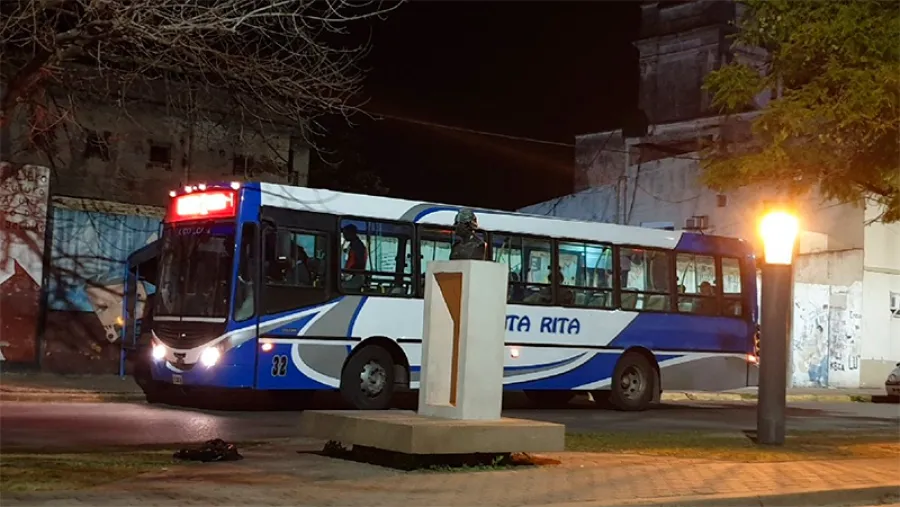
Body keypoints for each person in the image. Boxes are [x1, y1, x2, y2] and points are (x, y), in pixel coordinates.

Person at [341, 224, 368, 291]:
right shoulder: (353, 245)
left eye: (345, 233)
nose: (344, 236)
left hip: (355, 277)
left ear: (351, 233)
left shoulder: (358, 246)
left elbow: (359, 262)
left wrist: (349, 273)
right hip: (351, 275)